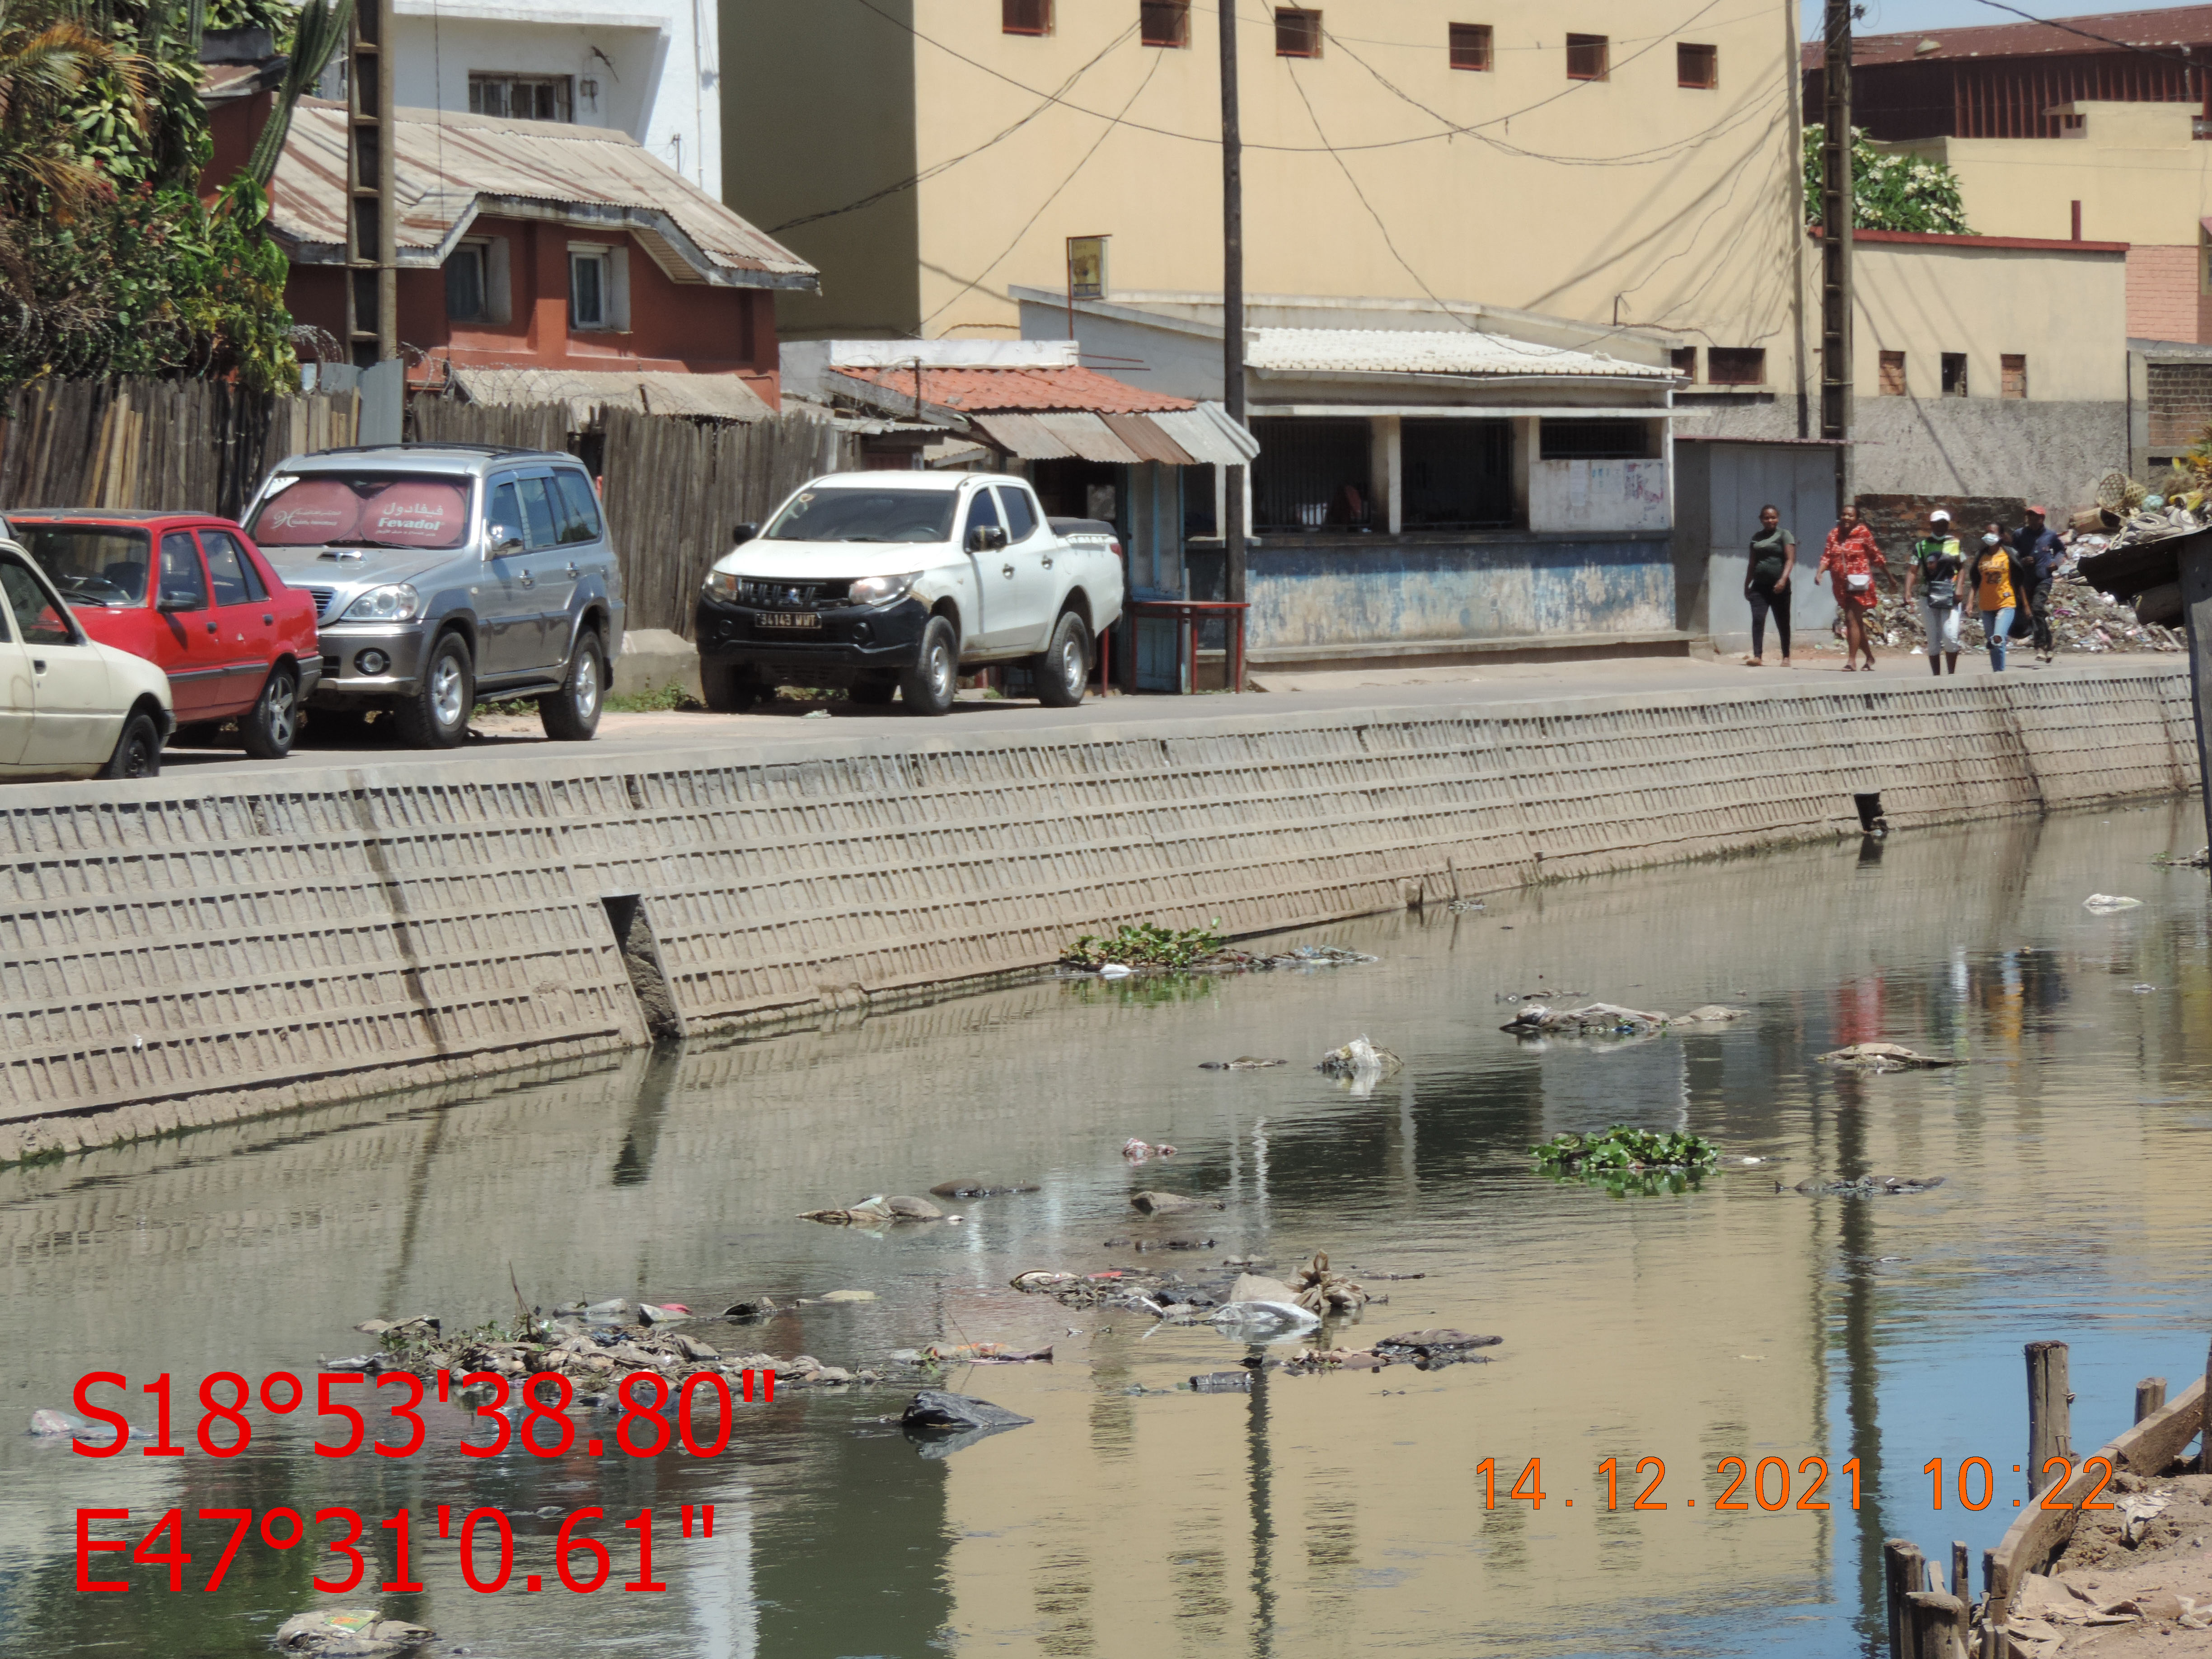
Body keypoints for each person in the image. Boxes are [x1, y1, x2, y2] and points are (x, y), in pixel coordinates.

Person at [1815, 502, 1887, 671]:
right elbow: (1827, 557)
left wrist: (1890, 578)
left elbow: (1876, 557)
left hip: (1860, 585)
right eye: (1844, 515)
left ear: (1857, 519)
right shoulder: (1834, 535)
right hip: (1841, 586)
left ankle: (1851, 661)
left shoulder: (1863, 533)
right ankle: (1869, 658)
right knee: (1856, 623)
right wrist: (1820, 572)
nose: (1846, 518)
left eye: (1850, 515)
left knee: (1850, 618)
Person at [1901, 509, 1964, 675]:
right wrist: (1907, 591)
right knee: (1934, 641)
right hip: (1928, 597)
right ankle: (1937, 677)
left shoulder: (1955, 543)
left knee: (1951, 638)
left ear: (1948, 525)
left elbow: (1962, 567)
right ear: (1931, 525)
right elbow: (1913, 570)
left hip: (1951, 597)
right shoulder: (1922, 546)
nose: (1941, 527)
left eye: (1944, 524)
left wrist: (1959, 588)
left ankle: (1951, 675)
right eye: (1937, 524)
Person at [1743, 504, 1796, 667]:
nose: (1770, 520)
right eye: (1766, 518)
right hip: (1760, 586)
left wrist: (1783, 580)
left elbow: (1790, 560)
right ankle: (1757, 656)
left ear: (1778, 519)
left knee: (1783, 621)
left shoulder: (1784, 535)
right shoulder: (1756, 538)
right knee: (1758, 619)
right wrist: (1747, 585)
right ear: (1761, 519)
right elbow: (1752, 563)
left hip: (1779, 587)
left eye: (1773, 517)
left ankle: (1786, 656)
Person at [2012, 505, 2065, 664]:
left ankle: (2040, 646)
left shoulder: (2050, 536)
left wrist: (2056, 564)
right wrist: (2022, 561)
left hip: (2044, 578)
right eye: (2030, 517)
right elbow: (2013, 555)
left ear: (2042, 519)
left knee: (2036, 608)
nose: (2032, 520)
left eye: (2036, 517)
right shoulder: (2020, 535)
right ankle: (2050, 642)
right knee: (2034, 613)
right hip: (2026, 581)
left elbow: (2061, 551)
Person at [1969, 522, 2017, 671]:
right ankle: (1998, 674)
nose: (1989, 535)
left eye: (1993, 532)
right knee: (1994, 645)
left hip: (2006, 603)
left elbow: (2019, 579)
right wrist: (1970, 602)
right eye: (1987, 532)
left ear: (2001, 536)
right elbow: (1976, 581)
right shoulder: (1981, 556)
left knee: (1998, 638)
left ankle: (1999, 672)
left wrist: (2026, 604)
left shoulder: (2009, 554)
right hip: (1986, 606)